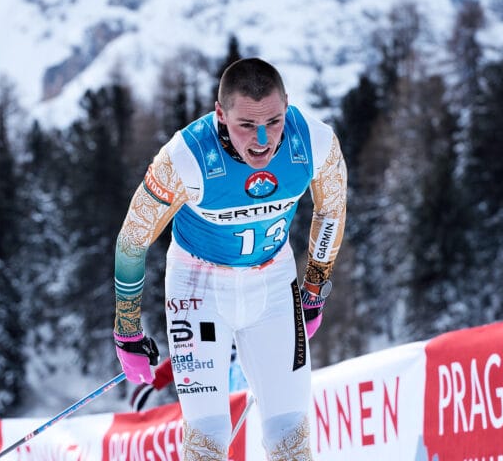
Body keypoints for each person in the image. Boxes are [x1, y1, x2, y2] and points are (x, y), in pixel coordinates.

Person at [113, 58, 346, 460]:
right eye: (246, 125)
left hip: (273, 283)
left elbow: (332, 211)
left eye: (274, 121)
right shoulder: (185, 157)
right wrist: (127, 331)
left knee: (291, 435)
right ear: (220, 114)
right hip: (197, 287)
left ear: (287, 106)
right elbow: (132, 241)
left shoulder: (315, 142)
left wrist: (313, 291)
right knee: (207, 437)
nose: (262, 140)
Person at [130, 343, 246, 412]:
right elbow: (184, 360)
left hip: (248, 414)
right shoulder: (208, 344)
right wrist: (154, 382)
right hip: (221, 413)